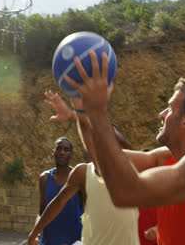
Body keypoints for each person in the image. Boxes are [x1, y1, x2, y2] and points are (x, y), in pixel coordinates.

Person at [64, 51, 185, 244]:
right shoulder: (166, 158)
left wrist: (98, 111)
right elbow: (102, 163)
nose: (161, 114)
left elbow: (126, 192)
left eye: (170, 108)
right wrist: (83, 111)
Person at [28, 91, 154, 245]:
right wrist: (34, 233)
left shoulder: (129, 172)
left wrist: (78, 115)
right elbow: (56, 203)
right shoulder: (82, 172)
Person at [35, 137, 83, 245]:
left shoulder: (79, 179)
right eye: (59, 148)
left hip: (74, 241)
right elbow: (41, 211)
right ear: (53, 152)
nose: (62, 152)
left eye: (66, 150)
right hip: (48, 241)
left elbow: (87, 211)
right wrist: (36, 233)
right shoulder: (45, 178)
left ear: (71, 154)